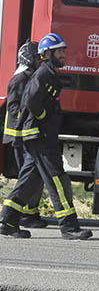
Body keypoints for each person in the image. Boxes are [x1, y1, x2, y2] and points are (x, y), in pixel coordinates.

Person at [0, 33, 92, 240]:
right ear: (47, 54)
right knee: (57, 179)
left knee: (29, 180)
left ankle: (7, 220)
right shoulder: (43, 74)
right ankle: (69, 227)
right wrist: (42, 116)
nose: (64, 55)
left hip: (39, 136)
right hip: (40, 136)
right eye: (60, 51)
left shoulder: (47, 72)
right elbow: (30, 100)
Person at [1, 41, 46, 232]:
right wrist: (28, 120)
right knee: (26, 177)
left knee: (32, 176)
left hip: (25, 136)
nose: (40, 61)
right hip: (19, 137)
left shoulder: (30, 77)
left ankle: (30, 213)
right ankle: (18, 215)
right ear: (28, 59)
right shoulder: (20, 79)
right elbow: (13, 108)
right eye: (37, 57)